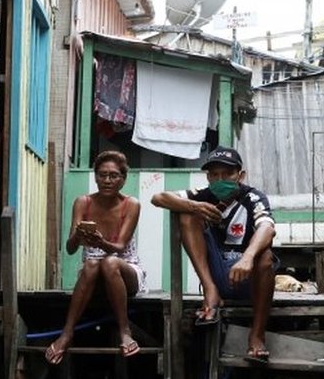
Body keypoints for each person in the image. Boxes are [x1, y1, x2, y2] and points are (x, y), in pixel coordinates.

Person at [150, 146, 276, 362]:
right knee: (187, 215)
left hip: (249, 278)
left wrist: (247, 258)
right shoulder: (204, 195)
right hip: (217, 276)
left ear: (240, 175)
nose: (221, 179)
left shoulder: (253, 197)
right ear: (208, 177)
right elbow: (158, 197)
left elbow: (267, 227)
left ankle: (256, 335)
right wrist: (194, 206)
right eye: (215, 174)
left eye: (228, 174)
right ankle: (210, 291)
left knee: (265, 257)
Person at [45, 150, 146, 365]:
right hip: (93, 276)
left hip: (125, 272)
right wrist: (78, 236)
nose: (107, 180)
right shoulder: (83, 202)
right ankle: (67, 333)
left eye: (113, 176)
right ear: (95, 176)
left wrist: (101, 243)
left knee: (108, 262)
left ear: (123, 179)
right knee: (91, 264)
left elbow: (119, 247)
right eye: (102, 175)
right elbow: (70, 249)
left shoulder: (131, 204)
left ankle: (124, 330)